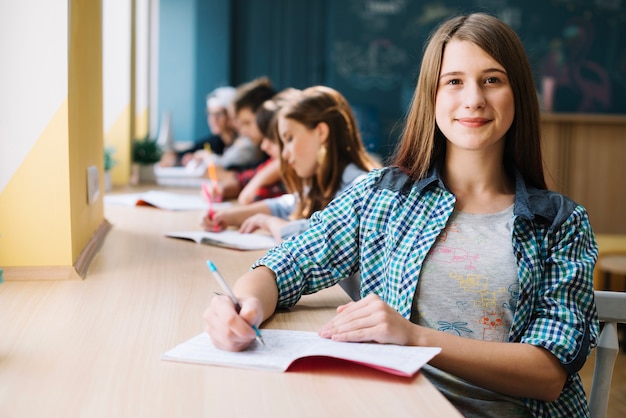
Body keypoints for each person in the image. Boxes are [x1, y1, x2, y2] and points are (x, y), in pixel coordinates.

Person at [203, 13, 599, 418]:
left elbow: (547, 373)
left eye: (492, 80)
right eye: (454, 81)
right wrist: (243, 304)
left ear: (517, 94)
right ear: (431, 95)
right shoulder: (384, 195)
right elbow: (288, 263)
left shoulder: (560, 224)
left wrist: (411, 338)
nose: (474, 98)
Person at [202, 85, 380, 242]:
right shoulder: (321, 182)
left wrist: (269, 222)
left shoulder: (360, 187)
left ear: (321, 132)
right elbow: (284, 205)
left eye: (289, 139)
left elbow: (319, 240)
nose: (284, 154)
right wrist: (226, 216)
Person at [215, 88, 300, 204]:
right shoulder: (272, 160)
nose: (241, 130)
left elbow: (249, 197)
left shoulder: (294, 169)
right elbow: (242, 179)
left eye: (247, 122)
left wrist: (277, 165)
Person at [158, 86, 237, 167]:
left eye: (218, 114)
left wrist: (206, 157)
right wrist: (176, 159)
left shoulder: (244, 142)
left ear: (232, 116)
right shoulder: (215, 141)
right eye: (210, 114)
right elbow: (186, 153)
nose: (213, 119)